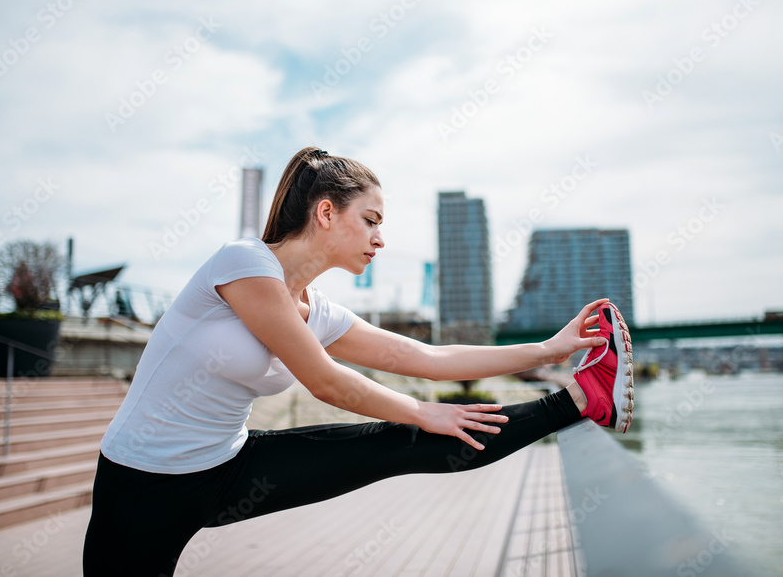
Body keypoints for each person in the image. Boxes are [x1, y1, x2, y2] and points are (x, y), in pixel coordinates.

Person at [82, 147, 635, 576]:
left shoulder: (317, 310)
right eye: (370, 220)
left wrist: (550, 348)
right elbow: (325, 382)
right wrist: (422, 410)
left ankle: (584, 399)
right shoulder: (242, 264)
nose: (380, 239)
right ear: (326, 212)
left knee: (423, 441)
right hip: (140, 484)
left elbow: (427, 356)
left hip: (226, 470)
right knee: (427, 423)